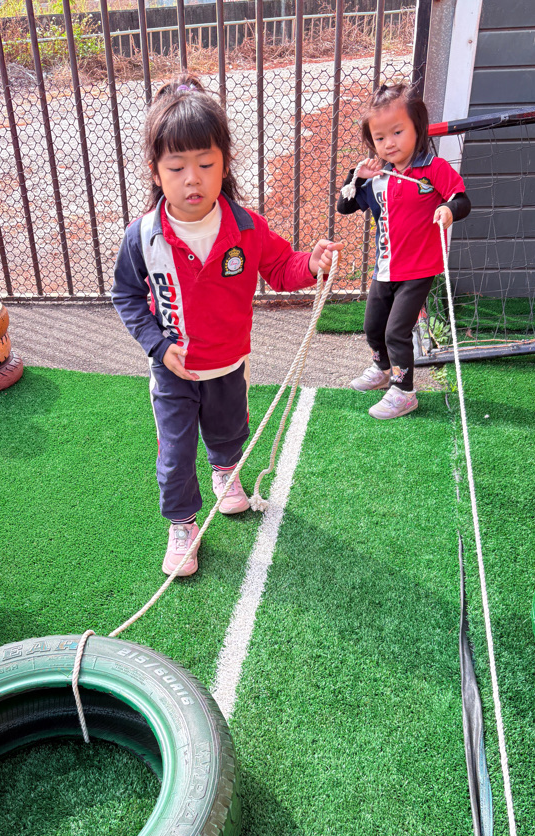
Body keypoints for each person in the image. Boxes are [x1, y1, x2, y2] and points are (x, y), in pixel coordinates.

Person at [112, 73, 341, 578]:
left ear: (226, 163)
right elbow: (125, 295)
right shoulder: (143, 236)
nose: (192, 179)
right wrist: (157, 345)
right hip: (174, 369)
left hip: (230, 363)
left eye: (205, 164)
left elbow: (281, 268)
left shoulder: (246, 227)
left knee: (229, 430)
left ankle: (225, 472)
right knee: (175, 453)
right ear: (155, 172)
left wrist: (313, 263)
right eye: (177, 167)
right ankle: (181, 524)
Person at [337, 81, 471, 419]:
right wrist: (357, 177)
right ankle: (382, 369)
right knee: (373, 326)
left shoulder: (432, 169)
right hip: (385, 267)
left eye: (398, 132)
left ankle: (404, 391)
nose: (390, 143)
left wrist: (448, 209)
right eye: (380, 138)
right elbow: (344, 206)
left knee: (397, 331)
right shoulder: (377, 177)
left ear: (417, 128)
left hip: (419, 269)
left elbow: (462, 200)